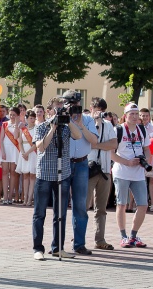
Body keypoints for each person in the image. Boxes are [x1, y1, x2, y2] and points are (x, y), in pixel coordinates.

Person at [32, 100, 82, 261]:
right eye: (56, 110)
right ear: (49, 111)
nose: (58, 113)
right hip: (45, 175)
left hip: (63, 174)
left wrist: (68, 120)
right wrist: (52, 127)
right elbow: (41, 147)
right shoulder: (41, 127)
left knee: (60, 214)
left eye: (61, 110)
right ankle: (38, 249)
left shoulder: (67, 128)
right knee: (39, 214)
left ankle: (58, 248)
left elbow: (78, 135)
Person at [111, 103, 151, 248]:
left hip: (138, 173)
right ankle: (123, 236)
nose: (134, 116)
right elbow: (111, 153)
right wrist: (127, 162)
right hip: (122, 171)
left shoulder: (142, 130)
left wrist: (145, 160)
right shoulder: (118, 130)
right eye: (131, 114)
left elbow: (147, 149)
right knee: (122, 204)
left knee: (143, 204)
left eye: (136, 113)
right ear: (125, 115)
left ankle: (133, 235)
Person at [66, 91, 98, 255]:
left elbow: (94, 141)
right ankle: (57, 245)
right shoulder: (62, 119)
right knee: (61, 205)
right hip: (64, 164)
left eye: (77, 105)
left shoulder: (87, 119)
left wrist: (81, 126)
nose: (75, 108)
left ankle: (79, 244)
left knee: (80, 205)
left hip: (81, 164)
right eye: (71, 105)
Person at [86, 98, 117, 250]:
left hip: (104, 169)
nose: (99, 113)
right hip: (88, 168)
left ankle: (100, 239)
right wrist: (95, 123)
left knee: (101, 208)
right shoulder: (85, 122)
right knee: (83, 205)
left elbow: (113, 144)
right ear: (91, 108)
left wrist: (97, 145)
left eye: (102, 110)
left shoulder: (108, 124)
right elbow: (88, 141)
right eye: (97, 109)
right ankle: (78, 238)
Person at [15, 110, 37, 206]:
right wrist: (23, 153)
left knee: (32, 175)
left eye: (33, 118)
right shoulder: (23, 129)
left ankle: (30, 198)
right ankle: (24, 198)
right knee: (25, 175)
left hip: (33, 152)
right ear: (27, 119)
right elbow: (19, 142)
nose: (32, 120)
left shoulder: (37, 129)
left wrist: (28, 153)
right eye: (30, 118)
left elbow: (36, 144)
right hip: (24, 152)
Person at [0, 106, 20, 204]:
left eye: (14, 115)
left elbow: (16, 136)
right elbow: (1, 139)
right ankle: (5, 195)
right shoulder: (4, 124)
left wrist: (16, 124)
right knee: (4, 172)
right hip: (5, 148)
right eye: (11, 114)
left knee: (13, 172)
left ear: (17, 115)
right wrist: (2, 151)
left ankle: (10, 196)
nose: (12, 116)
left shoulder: (20, 125)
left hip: (14, 150)